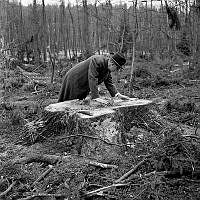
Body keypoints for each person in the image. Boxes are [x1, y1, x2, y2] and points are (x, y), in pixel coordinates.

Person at [58, 52, 130, 103]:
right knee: (69, 102)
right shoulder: (97, 61)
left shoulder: (107, 68)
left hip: (83, 83)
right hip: (74, 79)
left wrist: (117, 94)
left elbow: (109, 83)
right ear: (112, 64)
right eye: (117, 68)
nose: (117, 71)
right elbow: (93, 77)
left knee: (78, 102)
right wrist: (96, 97)